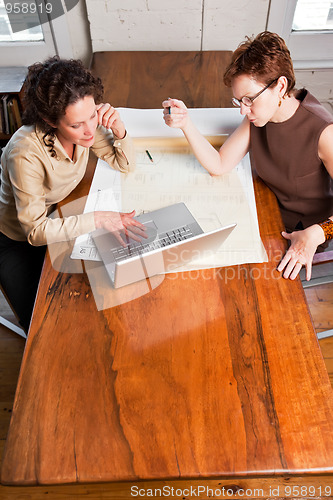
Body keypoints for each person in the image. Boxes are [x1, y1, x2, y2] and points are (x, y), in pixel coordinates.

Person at [162, 31, 333, 282]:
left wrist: (318, 233)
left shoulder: (324, 132)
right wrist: (186, 124)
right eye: (239, 101)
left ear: (281, 86)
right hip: (268, 215)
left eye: (249, 99)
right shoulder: (258, 117)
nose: (243, 109)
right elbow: (220, 165)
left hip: (307, 235)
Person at [0, 56, 145, 332]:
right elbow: (35, 232)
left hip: (57, 213)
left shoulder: (88, 127)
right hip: (15, 239)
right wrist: (99, 218)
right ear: (50, 120)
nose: (90, 130)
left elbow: (124, 164)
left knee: (94, 300)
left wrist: (119, 129)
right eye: (76, 125)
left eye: (92, 115)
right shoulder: (25, 154)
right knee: (42, 324)